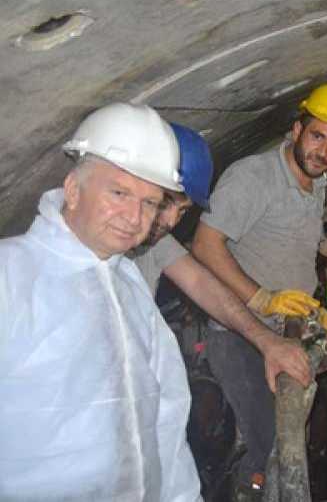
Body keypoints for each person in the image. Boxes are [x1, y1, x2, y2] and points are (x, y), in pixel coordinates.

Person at [0, 103, 201, 500]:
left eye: (150, 202)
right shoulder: (11, 273)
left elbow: (167, 413)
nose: (134, 217)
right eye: (119, 193)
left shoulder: (127, 282)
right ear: (73, 189)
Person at [192, 82, 327, 497]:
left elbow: (291, 251)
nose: (323, 152)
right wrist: (261, 298)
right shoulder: (254, 177)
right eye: (317, 135)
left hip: (289, 331)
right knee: (270, 446)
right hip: (241, 336)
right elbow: (204, 244)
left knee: (294, 442)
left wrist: (312, 304)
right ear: (296, 128)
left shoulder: (316, 182)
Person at [131, 122, 312, 392]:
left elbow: (201, 284)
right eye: (165, 201)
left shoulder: (156, 242)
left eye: (182, 212)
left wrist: (268, 341)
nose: (170, 221)